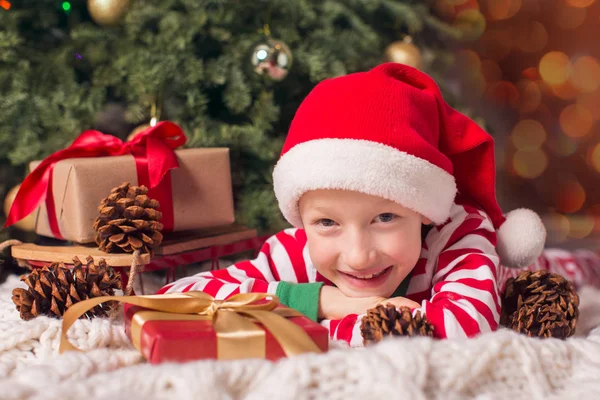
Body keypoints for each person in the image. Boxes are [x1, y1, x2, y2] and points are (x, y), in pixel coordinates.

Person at [157, 63, 548, 345]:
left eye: (385, 217)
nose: (358, 257)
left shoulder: (459, 234)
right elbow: (176, 298)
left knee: (562, 267)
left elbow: (464, 327)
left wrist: (310, 326)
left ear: (423, 212)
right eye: (327, 223)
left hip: (521, 268)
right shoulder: (299, 252)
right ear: (303, 220)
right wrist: (323, 300)